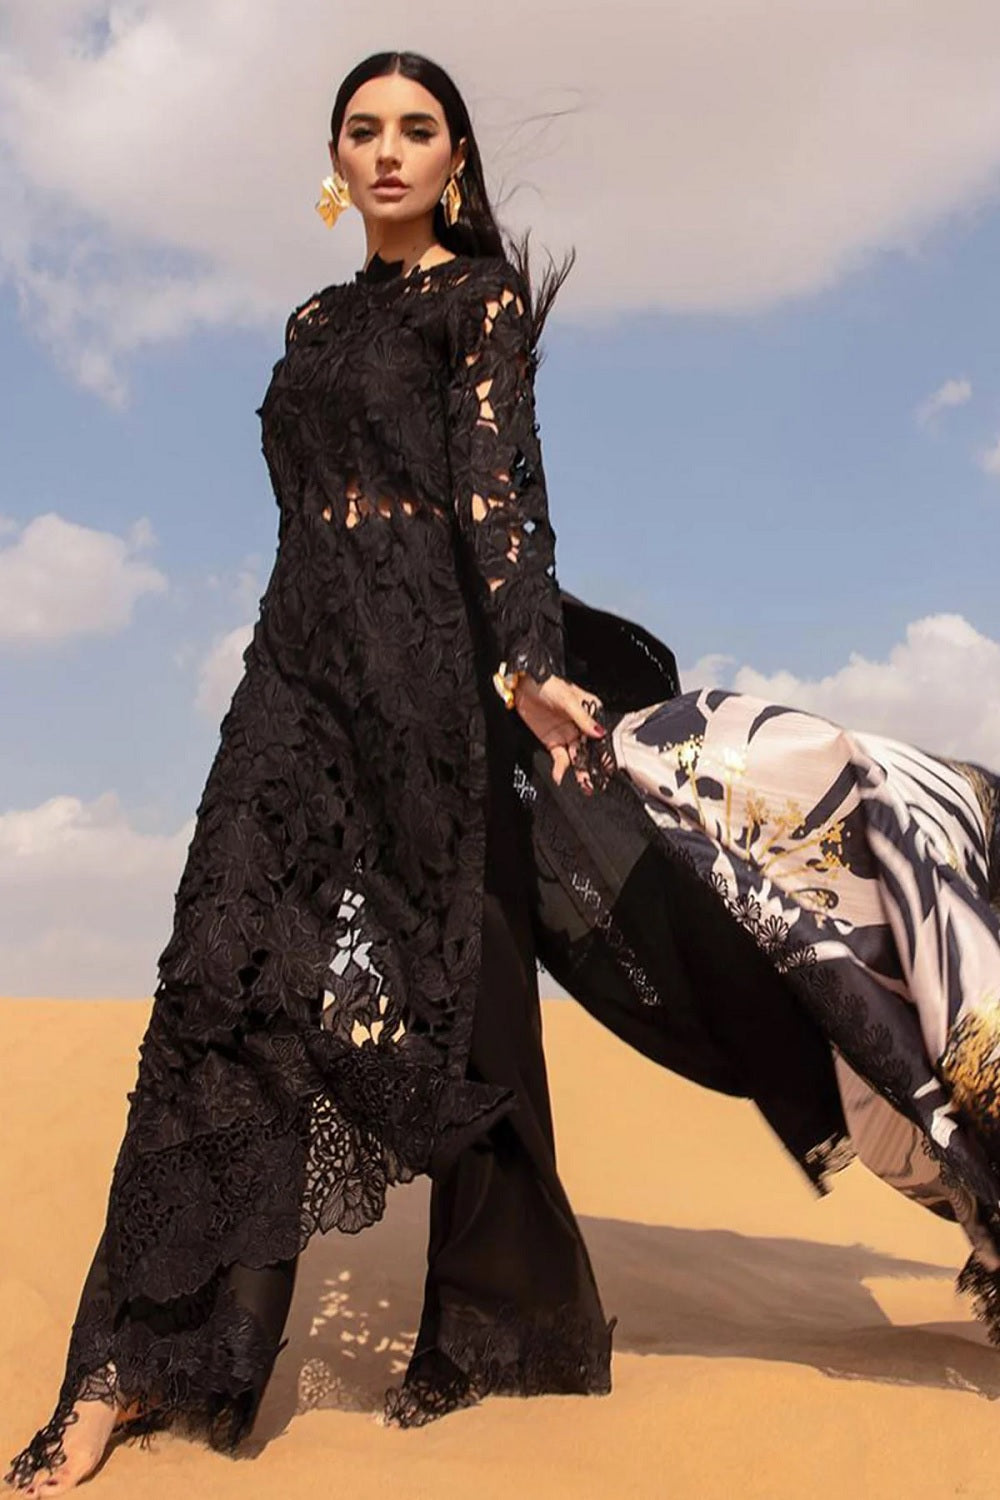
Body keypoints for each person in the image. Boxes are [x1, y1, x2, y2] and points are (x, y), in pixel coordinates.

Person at [4, 49, 630, 1496]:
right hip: (292, 676)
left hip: (425, 680)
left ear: (455, 158)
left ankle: (501, 1325)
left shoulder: (479, 304)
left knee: (462, 994)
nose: (389, 150)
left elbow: (500, 493)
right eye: (364, 130)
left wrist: (527, 664)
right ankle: (135, 1364)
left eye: (418, 129)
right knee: (220, 984)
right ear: (335, 161)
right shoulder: (314, 320)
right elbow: (305, 516)